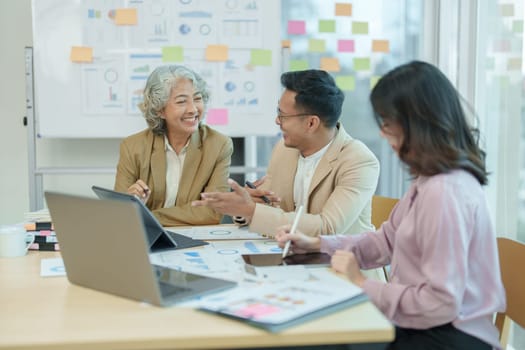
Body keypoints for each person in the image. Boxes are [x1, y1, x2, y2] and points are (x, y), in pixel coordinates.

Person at [275, 61, 506, 349]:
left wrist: (361, 283)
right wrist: (318, 245)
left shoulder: (445, 192)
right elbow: (385, 242)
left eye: (387, 123)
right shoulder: (429, 179)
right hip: (422, 324)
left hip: (448, 336)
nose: (383, 134)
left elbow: (440, 303)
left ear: (417, 124)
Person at [192, 69, 380, 238]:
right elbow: (271, 207)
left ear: (311, 123)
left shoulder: (359, 161)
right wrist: (245, 205)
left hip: (343, 268)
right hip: (291, 259)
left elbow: (327, 228)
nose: (277, 121)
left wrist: (252, 211)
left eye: (283, 115)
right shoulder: (284, 149)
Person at [114, 65, 233, 226]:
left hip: (197, 240)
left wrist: (146, 215)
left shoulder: (219, 145)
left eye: (197, 99)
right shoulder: (132, 147)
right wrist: (132, 205)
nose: (193, 109)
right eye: (182, 101)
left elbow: (211, 212)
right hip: (146, 240)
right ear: (159, 110)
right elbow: (121, 212)